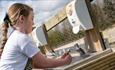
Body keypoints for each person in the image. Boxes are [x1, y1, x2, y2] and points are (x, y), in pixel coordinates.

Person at [0, 3, 72, 70]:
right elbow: (43, 63)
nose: (33, 22)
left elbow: (35, 63)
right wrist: (65, 61)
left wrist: (59, 60)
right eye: (32, 18)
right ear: (22, 19)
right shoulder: (22, 38)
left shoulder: (15, 36)